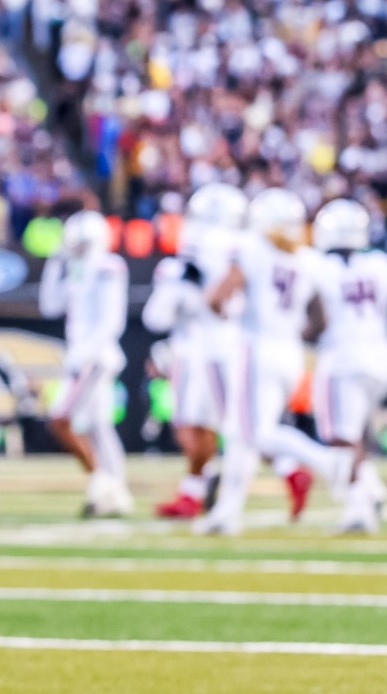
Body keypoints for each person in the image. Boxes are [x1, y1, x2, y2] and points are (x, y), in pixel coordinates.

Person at [203, 189, 345, 533]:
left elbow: (217, 297)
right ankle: (226, 514)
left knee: (254, 433)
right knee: (240, 433)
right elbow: (320, 319)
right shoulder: (308, 259)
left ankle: (327, 461)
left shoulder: (253, 249)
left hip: (258, 347)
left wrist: (229, 314)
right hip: (290, 352)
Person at [143, 183, 247, 520]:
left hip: (201, 347)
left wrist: (180, 290)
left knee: (204, 424)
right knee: (215, 424)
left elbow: (156, 317)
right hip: (233, 343)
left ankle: (287, 470)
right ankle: (195, 489)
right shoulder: (243, 247)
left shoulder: (199, 246)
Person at [305, 199, 387, 534]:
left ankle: (360, 505)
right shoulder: (381, 263)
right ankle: (372, 488)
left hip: (342, 357)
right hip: (380, 357)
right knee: (355, 433)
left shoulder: (317, 265)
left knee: (341, 437)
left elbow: (316, 323)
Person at [37, 210, 132, 518]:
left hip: (94, 357)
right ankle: (115, 491)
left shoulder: (107, 266)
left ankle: (105, 486)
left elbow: (111, 320)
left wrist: (86, 353)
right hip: (85, 356)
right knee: (99, 428)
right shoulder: (76, 270)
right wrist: (55, 264)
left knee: (60, 419)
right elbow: (49, 306)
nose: (76, 249)